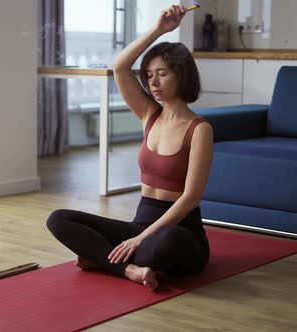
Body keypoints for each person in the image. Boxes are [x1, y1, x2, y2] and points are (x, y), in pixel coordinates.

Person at [46, 4, 213, 290]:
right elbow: (120, 67)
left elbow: (190, 198)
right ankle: (130, 271)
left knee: (160, 244)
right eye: (149, 74)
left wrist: (139, 239)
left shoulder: (199, 129)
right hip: (140, 223)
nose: (153, 82)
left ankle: (104, 258)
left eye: (162, 73)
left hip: (180, 233)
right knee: (59, 219)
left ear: (182, 76)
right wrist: (159, 30)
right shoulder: (150, 115)